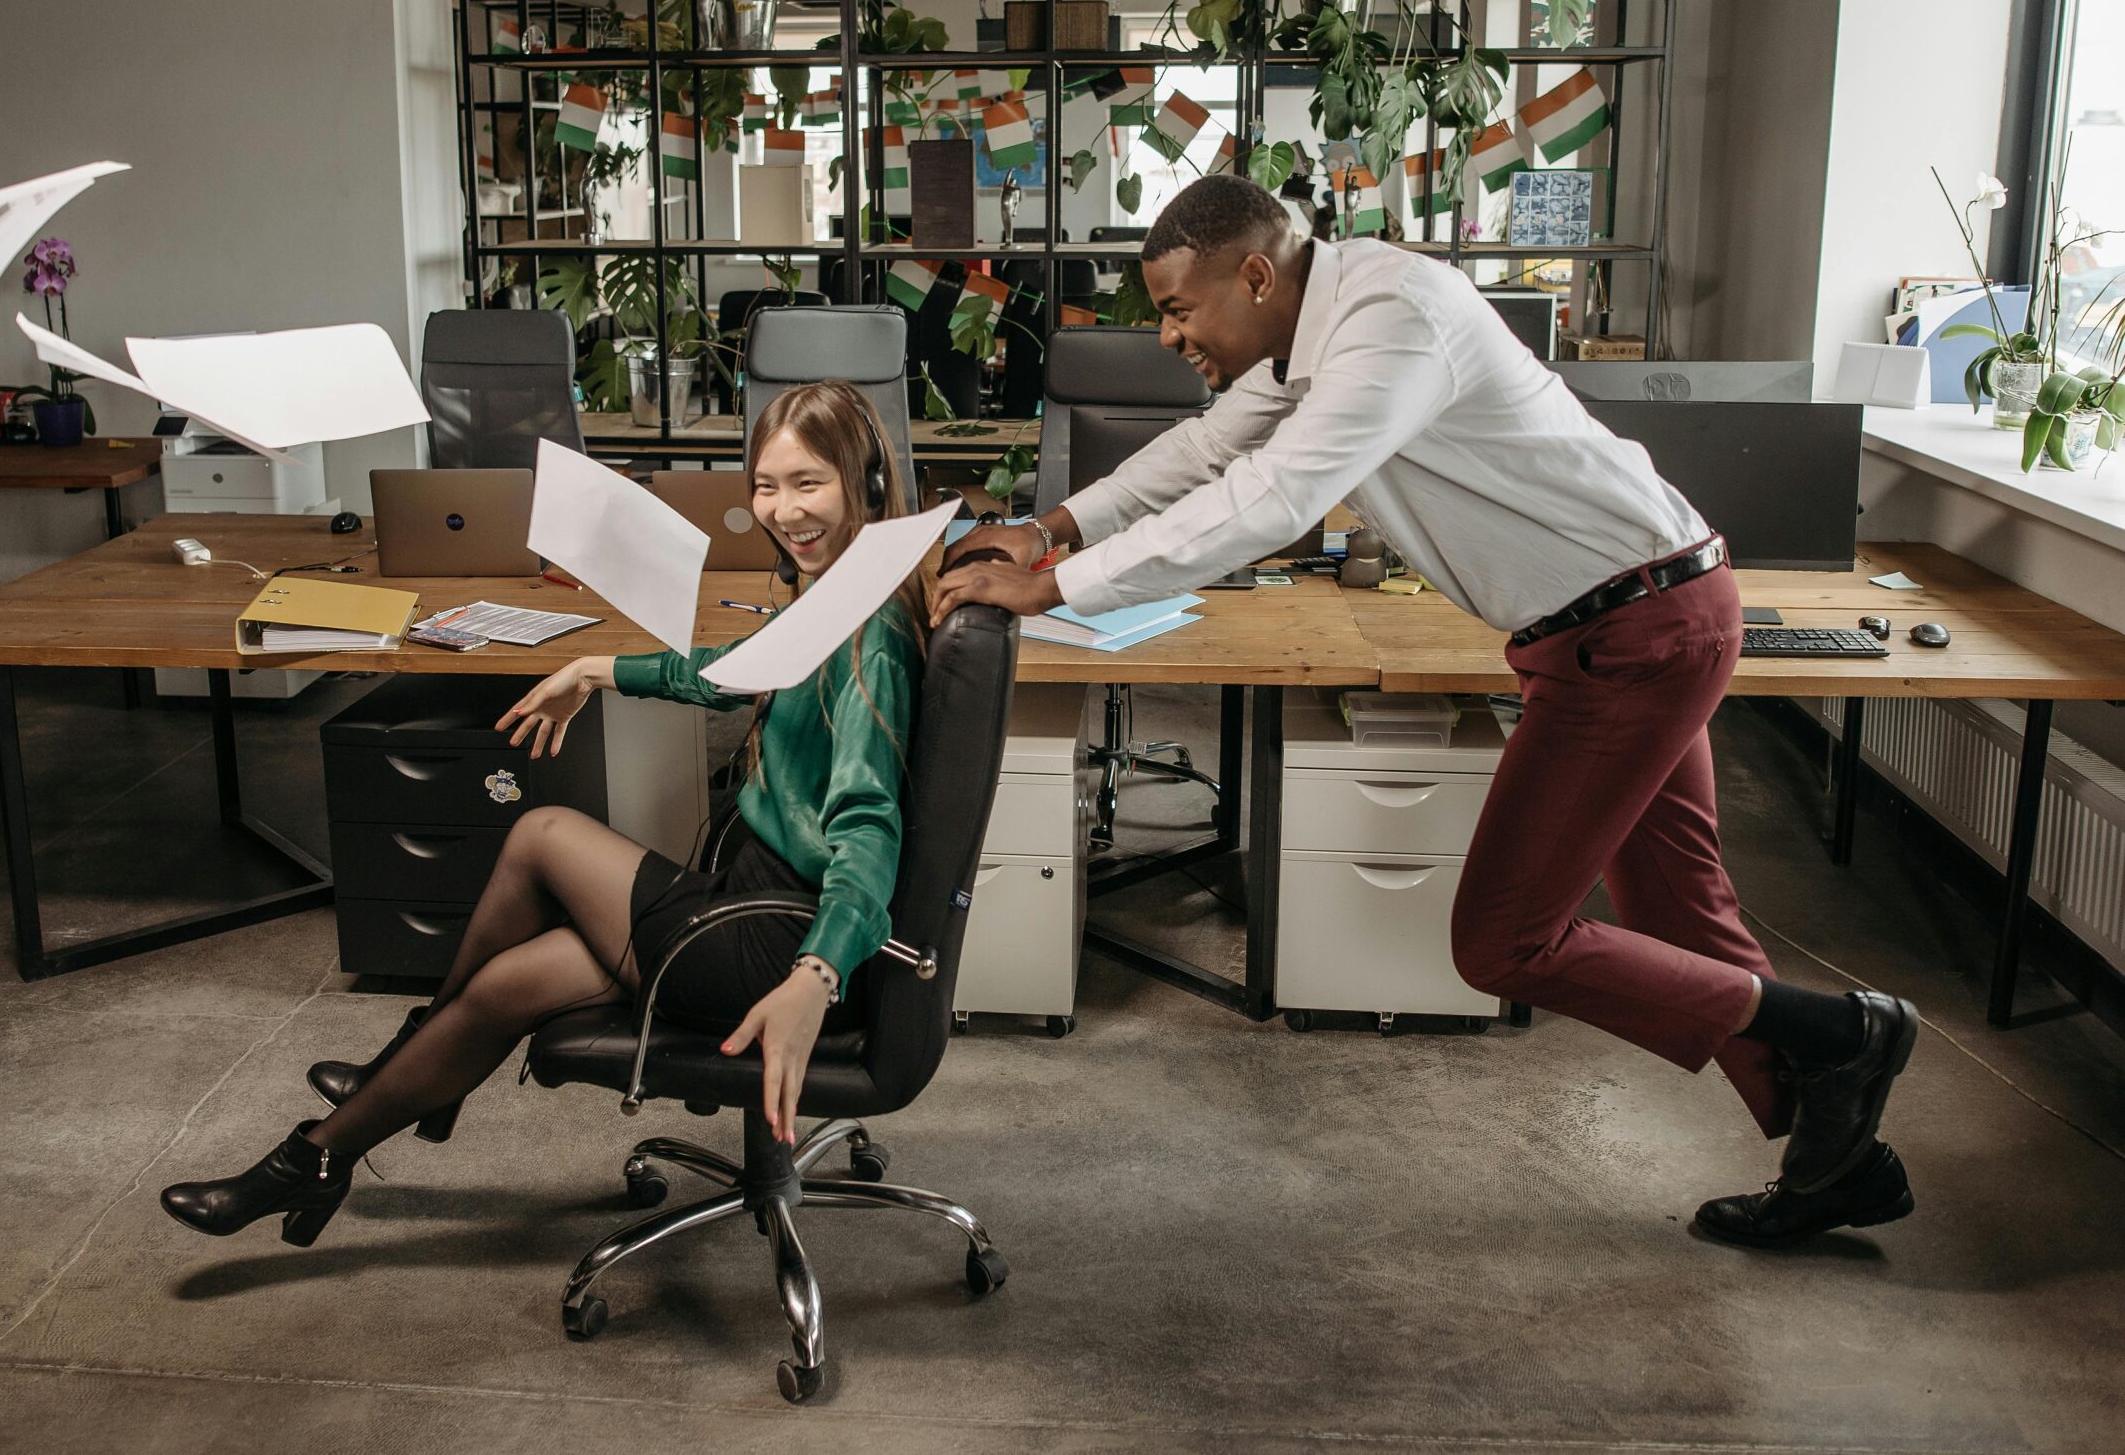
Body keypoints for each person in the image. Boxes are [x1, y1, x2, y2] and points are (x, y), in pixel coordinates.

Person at [936, 174, 1920, 1248]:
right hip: (1619, 622)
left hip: (1634, 635)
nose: (1167, 333)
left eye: (1177, 308)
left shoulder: (1390, 321)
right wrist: (1054, 529)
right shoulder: (1316, 329)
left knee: (1503, 939)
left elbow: (1270, 498)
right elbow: (1209, 449)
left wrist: (1055, 588)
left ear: (1255, 273)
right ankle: (1832, 1156)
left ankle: (1846, 1032)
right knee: (1680, 913)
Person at [160, 380, 928, 1248]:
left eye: (807, 482)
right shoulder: (839, 598)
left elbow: (870, 830)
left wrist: (813, 978)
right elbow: (737, 665)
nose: (783, 509)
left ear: (862, 478)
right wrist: (599, 667)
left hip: (769, 943)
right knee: (505, 985)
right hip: (741, 904)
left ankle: (407, 1070)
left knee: (540, 833)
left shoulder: (872, 638)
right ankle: (315, 1158)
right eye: (765, 484)